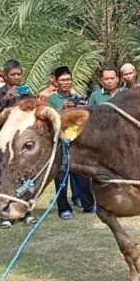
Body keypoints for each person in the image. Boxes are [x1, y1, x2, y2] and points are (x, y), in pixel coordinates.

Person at [44, 65, 92, 218]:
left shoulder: (77, 96)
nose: (66, 82)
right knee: (61, 177)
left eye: (68, 79)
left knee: (83, 175)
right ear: (56, 81)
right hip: (59, 142)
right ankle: (64, 209)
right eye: (63, 80)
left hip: (78, 142)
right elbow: (48, 120)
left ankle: (88, 205)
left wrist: (83, 107)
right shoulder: (50, 100)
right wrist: (61, 108)